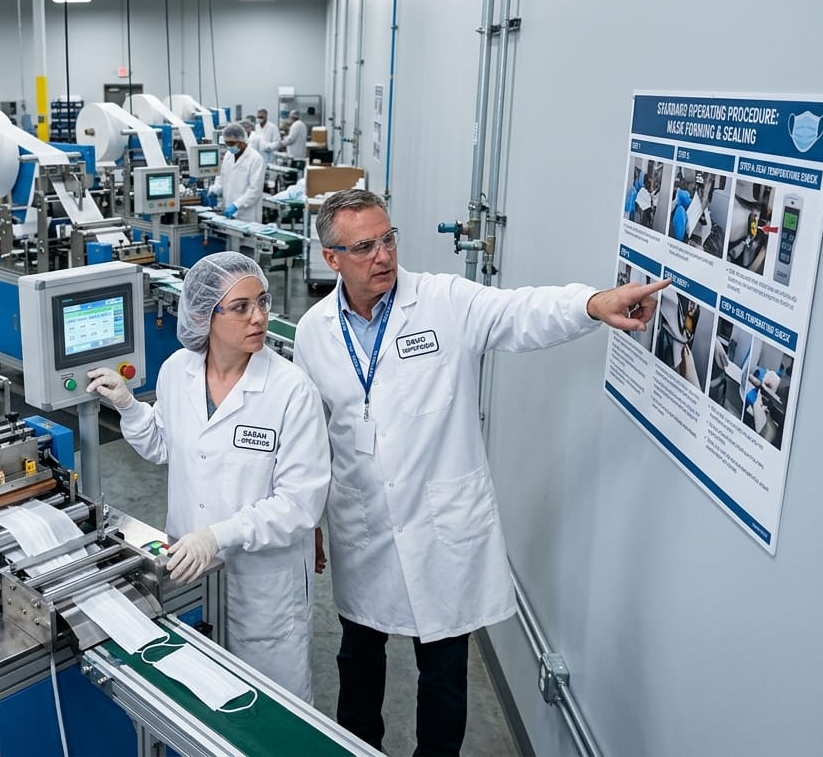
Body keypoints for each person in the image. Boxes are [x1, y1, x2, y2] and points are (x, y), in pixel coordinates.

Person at [291, 189, 668, 757]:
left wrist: (592, 304)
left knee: (443, 674)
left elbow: (520, 312)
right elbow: (309, 435)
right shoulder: (314, 331)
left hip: (442, 529)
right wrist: (309, 520)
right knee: (359, 664)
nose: (383, 255)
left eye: (388, 239)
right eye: (364, 247)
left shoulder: (444, 300)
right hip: (362, 524)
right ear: (332, 258)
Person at [86, 252, 330, 702]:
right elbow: (163, 446)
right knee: (200, 698)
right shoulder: (177, 370)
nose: (259, 317)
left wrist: (216, 536)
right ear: (203, 315)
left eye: (262, 301)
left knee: (270, 708)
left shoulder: (291, 390)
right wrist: (129, 407)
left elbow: (299, 504)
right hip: (190, 572)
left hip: (263, 587)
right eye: (240, 307)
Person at [207, 123, 266, 223]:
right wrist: (214, 190)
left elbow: (255, 190)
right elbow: (221, 177)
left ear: (241, 141)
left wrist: (236, 205)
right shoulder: (228, 155)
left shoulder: (256, 159)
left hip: (247, 215)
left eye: (231, 143)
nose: (228, 147)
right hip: (228, 212)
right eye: (226, 143)